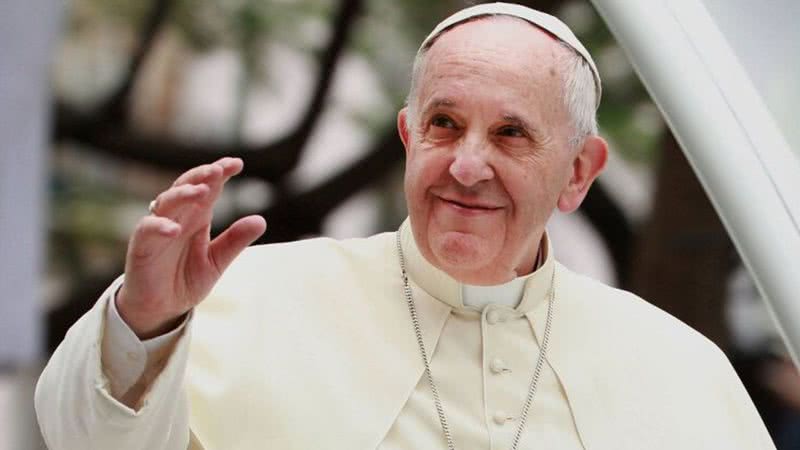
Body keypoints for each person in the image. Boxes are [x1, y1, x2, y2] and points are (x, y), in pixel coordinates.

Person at [35, 3, 775, 449]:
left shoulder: (680, 369)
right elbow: (81, 441)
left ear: (579, 172)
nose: (466, 165)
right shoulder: (243, 298)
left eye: (511, 134)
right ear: (408, 136)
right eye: (444, 125)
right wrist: (144, 322)